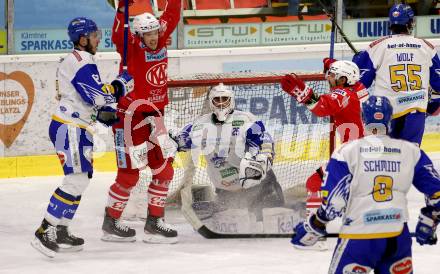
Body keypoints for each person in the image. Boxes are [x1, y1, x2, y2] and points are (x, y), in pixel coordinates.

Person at [291, 95, 440, 273]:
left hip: (359, 237)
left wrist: (315, 225)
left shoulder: (347, 151)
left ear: (363, 119)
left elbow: (333, 202)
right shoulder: (411, 151)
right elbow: (437, 194)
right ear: (390, 118)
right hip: (398, 237)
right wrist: (430, 220)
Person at [31, 17, 133, 258]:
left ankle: (63, 229)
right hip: (70, 127)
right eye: (94, 35)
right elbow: (98, 98)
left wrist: (106, 107)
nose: (99, 38)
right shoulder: (82, 62)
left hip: (76, 125)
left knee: (81, 178)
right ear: (83, 38)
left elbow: (92, 99)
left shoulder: (80, 60)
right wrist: (119, 87)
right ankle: (45, 229)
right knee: (75, 179)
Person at [101, 0, 181, 244]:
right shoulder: (131, 46)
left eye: (155, 32)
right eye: (148, 34)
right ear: (138, 35)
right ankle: (111, 222)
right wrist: (122, 9)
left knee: (164, 170)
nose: (154, 38)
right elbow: (118, 34)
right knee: (129, 176)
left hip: (155, 116)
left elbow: (173, 13)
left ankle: (154, 223)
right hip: (129, 118)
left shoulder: (161, 32)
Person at [171, 83, 284, 222]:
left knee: (271, 220)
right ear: (211, 103)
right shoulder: (200, 125)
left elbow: (265, 142)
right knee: (233, 223)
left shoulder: (244, 120)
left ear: (232, 100)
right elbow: (176, 143)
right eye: (217, 100)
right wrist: (168, 144)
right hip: (226, 192)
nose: (221, 103)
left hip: (260, 187)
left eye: (224, 99)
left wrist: (264, 160)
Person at [353, 3, 440, 146]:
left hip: (385, 113)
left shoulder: (377, 46)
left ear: (391, 23)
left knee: (385, 159)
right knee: (409, 159)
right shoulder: (426, 47)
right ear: (411, 22)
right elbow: (438, 83)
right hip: (415, 111)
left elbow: (360, 82)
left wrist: (357, 63)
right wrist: (434, 104)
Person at [280, 60, 366, 203]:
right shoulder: (359, 88)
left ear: (343, 79)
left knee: (314, 184)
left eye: (332, 75)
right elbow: (351, 76)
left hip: (353, 157)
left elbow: (321, 107)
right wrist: (333, 65)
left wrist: (302, 93)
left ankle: (322, 217)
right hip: (365, 153)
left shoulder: (344, 94)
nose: (328, 77)